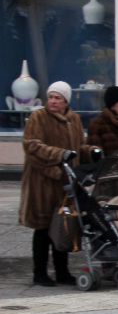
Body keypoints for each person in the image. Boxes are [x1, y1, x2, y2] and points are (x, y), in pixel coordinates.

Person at [19, 81, 96, 286]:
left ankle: (62, 272)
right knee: (43, 228)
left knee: (63, 226)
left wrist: (91, 152)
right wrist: (59, 155)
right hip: (42, 181)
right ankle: (40, 273)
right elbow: (32, 145)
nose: (52, 101)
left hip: (66, 182)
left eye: (57, 98)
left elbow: (78, 147)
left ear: (66, 101)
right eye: (50, 97)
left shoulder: (74, 119)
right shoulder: (38, 117)